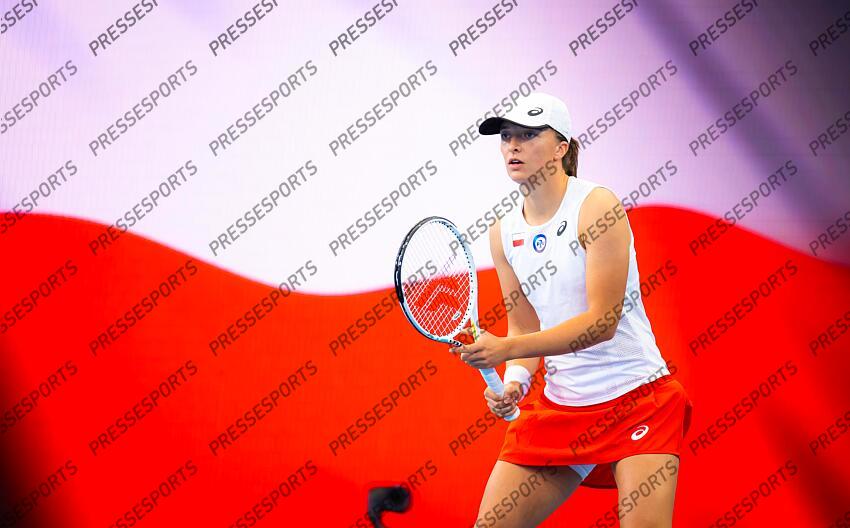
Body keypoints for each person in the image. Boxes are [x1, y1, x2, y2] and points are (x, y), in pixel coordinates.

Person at [449, 92, 693, 528]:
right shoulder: (503, 232)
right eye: (506, 137)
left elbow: (602, 323)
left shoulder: (597, 206)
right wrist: (516, 381)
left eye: (528, 135)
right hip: (561, 407)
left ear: (561, 147)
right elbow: (523, 325)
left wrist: (505, 349)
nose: (513, 146)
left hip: (638, 399)